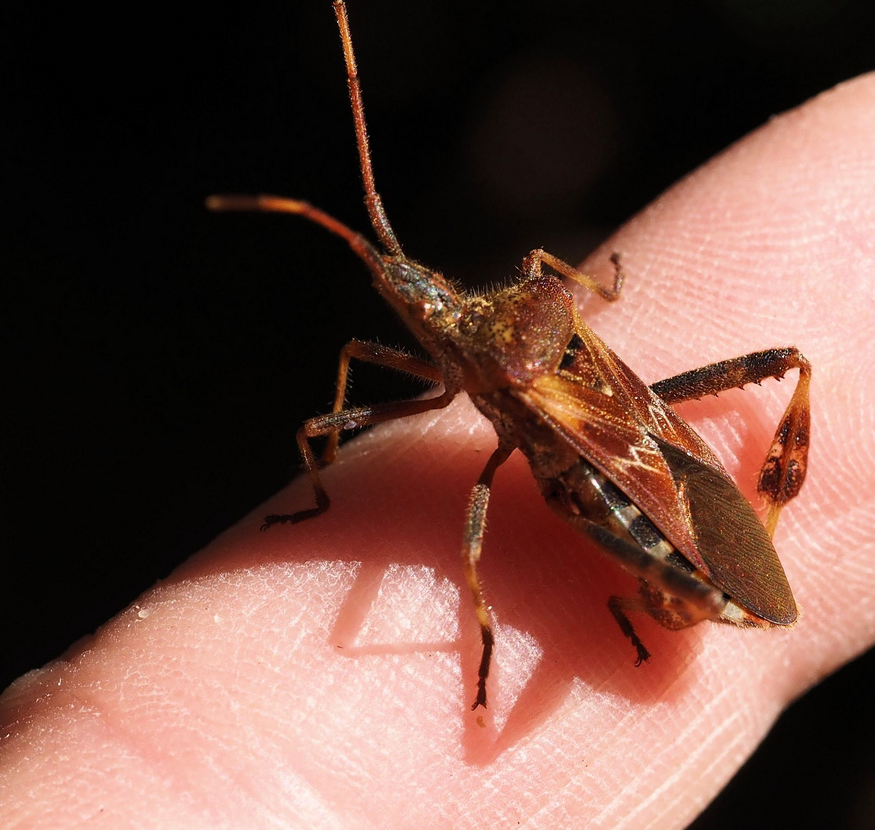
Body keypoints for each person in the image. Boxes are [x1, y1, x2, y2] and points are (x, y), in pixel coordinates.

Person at [2, 77, 872, 828]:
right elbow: (489, 295)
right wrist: (589, 293)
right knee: (778, 366)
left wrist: (333, 500)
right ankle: (706, 563)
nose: (402, 298)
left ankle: (663, 592)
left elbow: (357, 447)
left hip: (598, 481)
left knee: (449, 529)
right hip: (607, 437)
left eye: (403, 289)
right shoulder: (523, 302)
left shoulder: (496, 347)